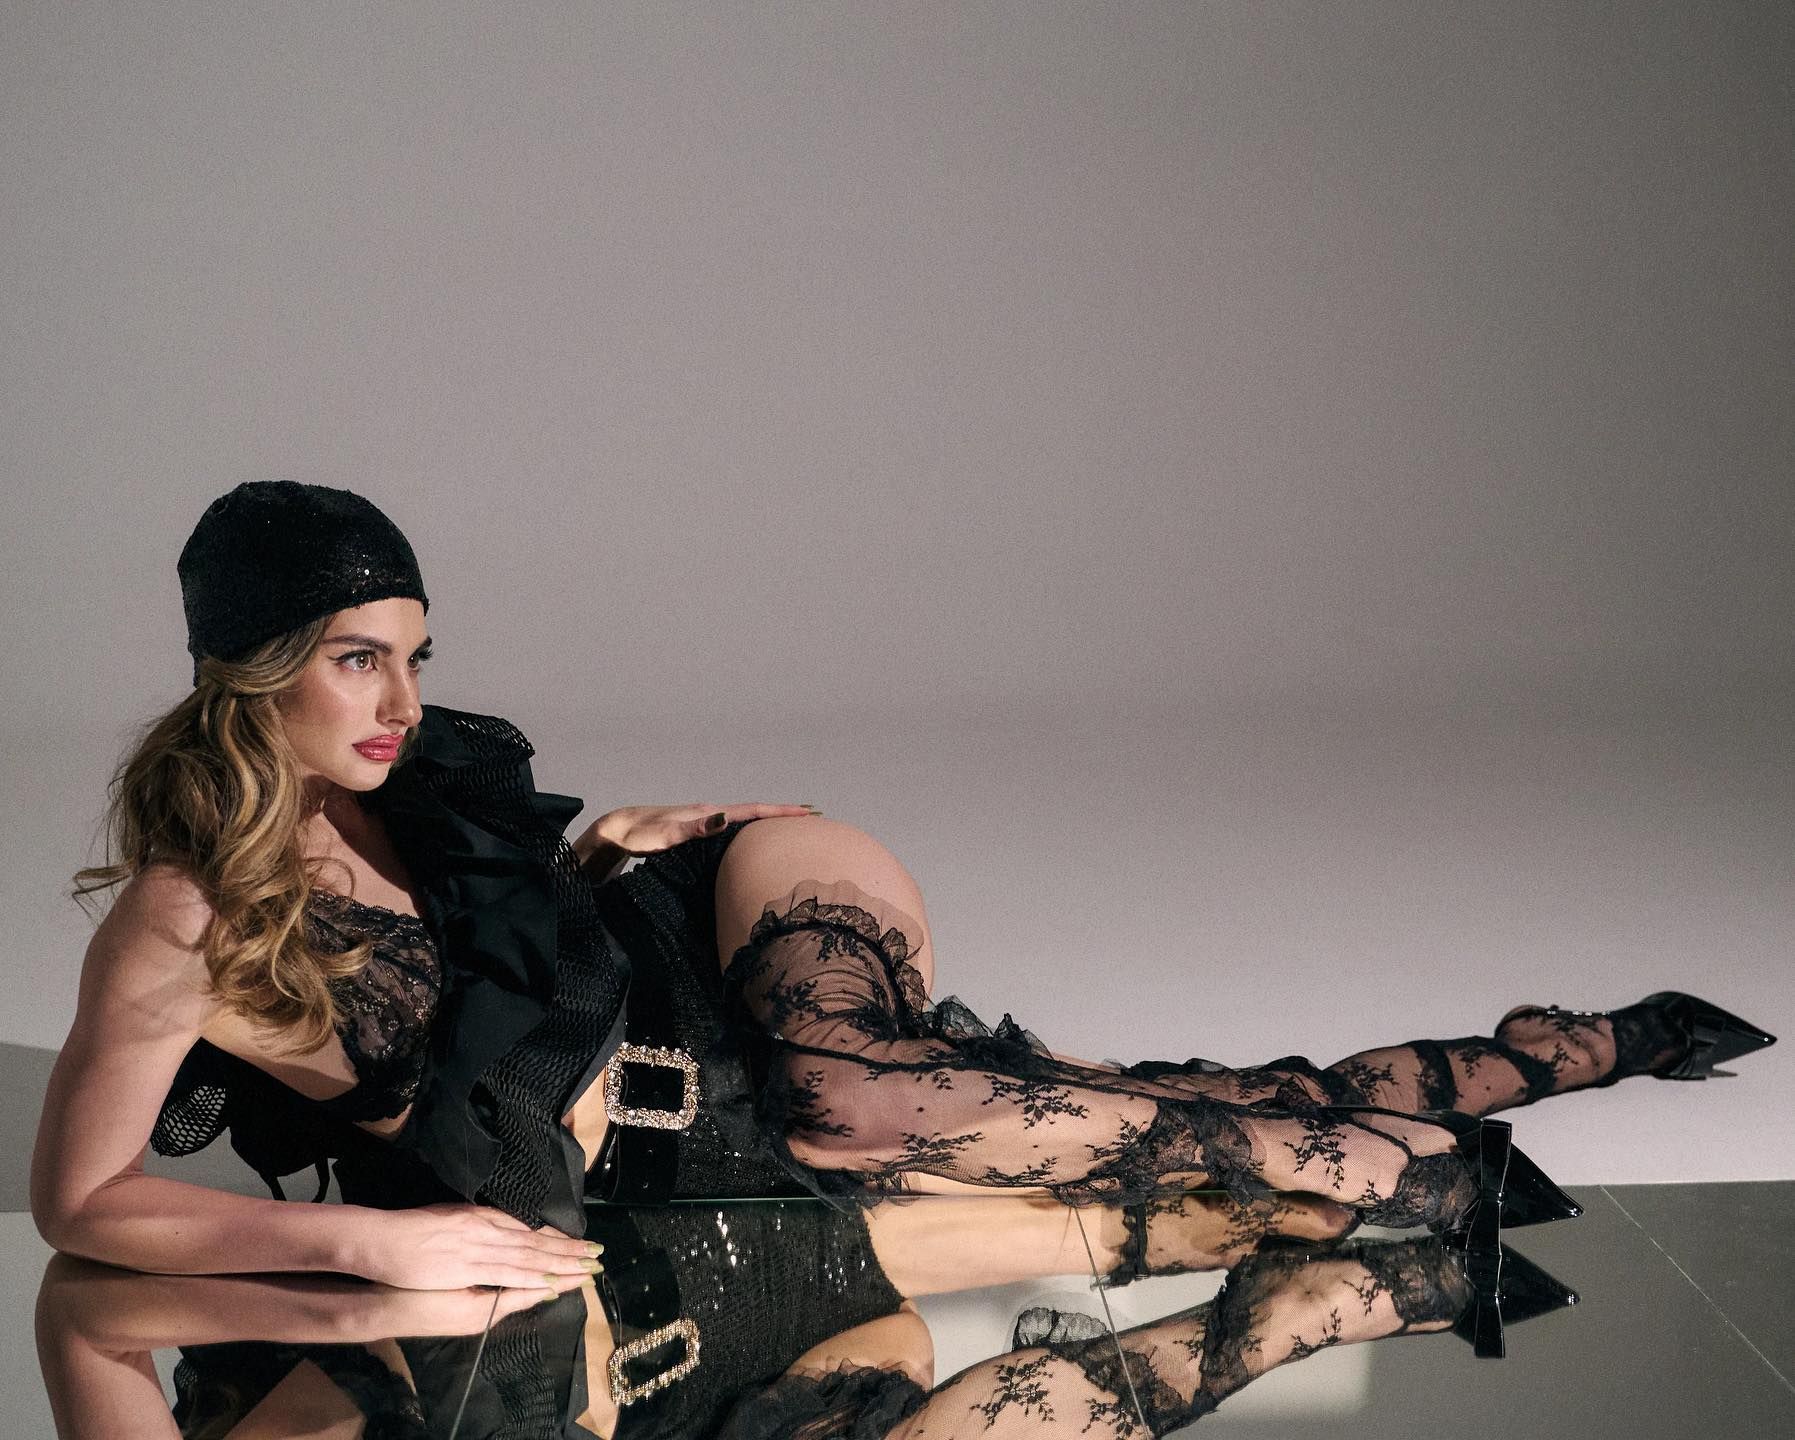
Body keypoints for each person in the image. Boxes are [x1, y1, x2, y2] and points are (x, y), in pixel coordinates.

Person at [31, 481, 1775, 1328]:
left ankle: (1396, 1169)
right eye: (357, 658)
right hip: (705, 1123)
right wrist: (366, 1242)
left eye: (415, 654)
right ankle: (1528, 1059)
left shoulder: (431, 782)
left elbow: (509, 946)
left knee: (850, 1093)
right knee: (1099, 1125)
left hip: (739, 921)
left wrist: (601, 852)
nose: (402, 699)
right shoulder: (188, 919)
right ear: (247, 669)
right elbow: (81, 1201)